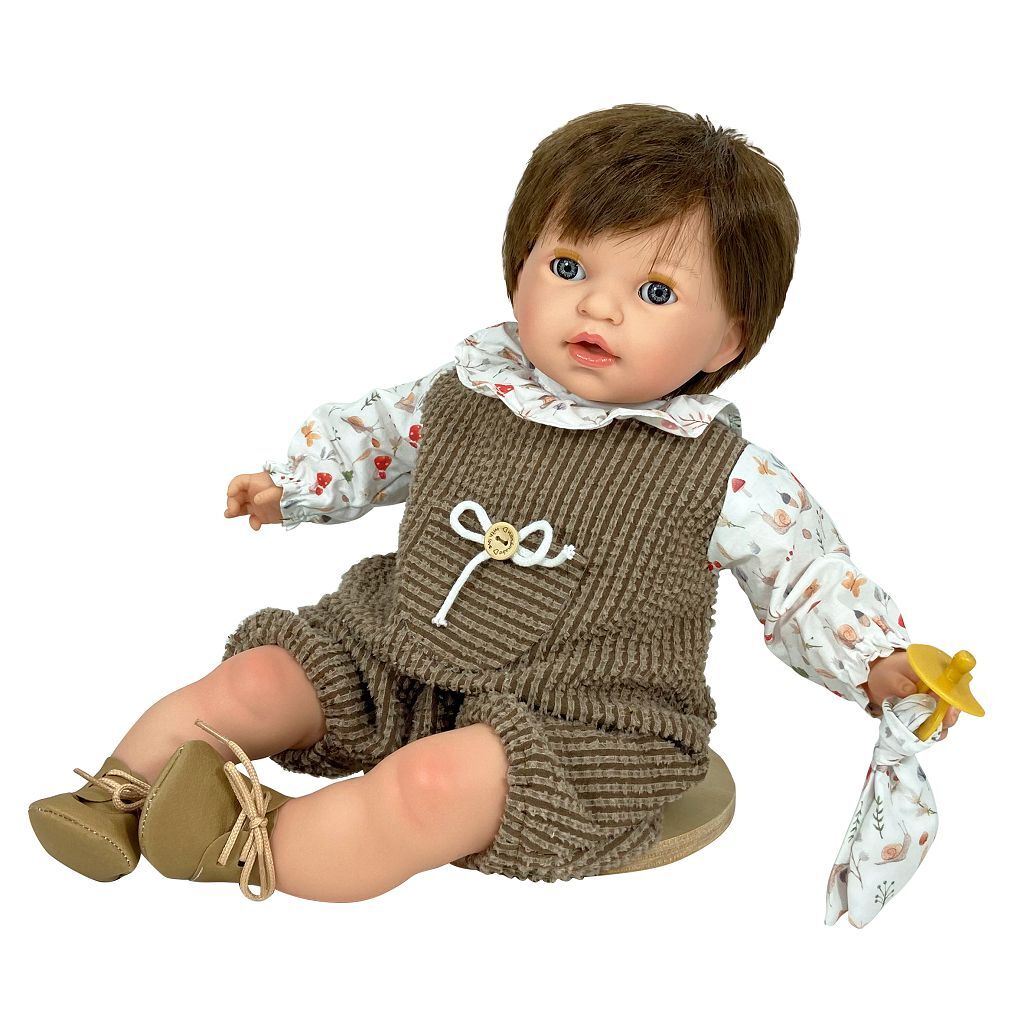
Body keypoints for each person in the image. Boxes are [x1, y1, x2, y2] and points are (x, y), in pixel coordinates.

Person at [28, 103, 959, 905]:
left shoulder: (728, 477)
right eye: (569, 269)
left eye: (655, 291)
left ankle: (251, 842)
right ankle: (120, 793)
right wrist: (298, 482)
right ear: (520, 265)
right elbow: (376, 435)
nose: (598, 309)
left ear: (728, 338)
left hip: (582, 717)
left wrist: (876, 661)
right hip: (397, 650)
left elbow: (807, 577)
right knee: (259, 679)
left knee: (429, 788)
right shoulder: (470, 388)